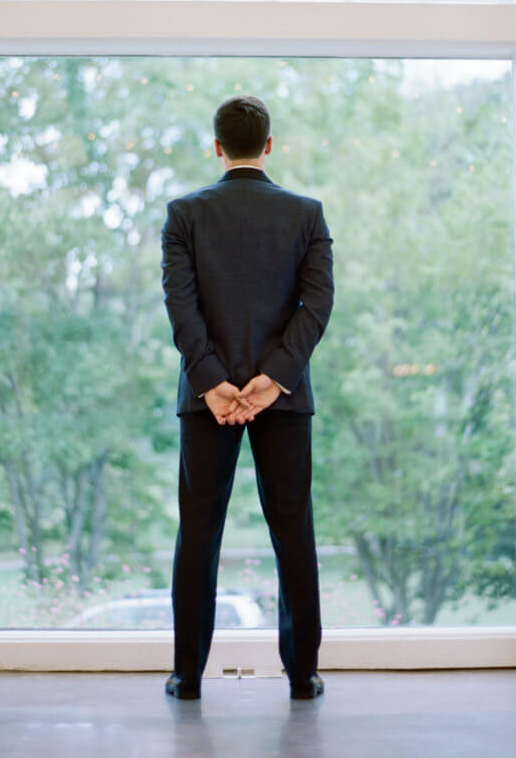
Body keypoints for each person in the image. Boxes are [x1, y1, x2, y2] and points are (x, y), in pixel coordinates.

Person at [159, 94, 335, 701]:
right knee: (294, 533)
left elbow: (180, 307)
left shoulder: (184, 214)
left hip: (206, 400)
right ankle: (304, 676)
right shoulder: (306, 213)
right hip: (282, 400)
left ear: (217, 147)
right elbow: (319, 306)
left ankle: (186, 676)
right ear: (268, 145)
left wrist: (212, 381)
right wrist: (274, 378)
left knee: (198, 533)